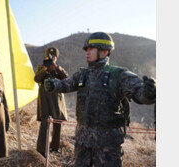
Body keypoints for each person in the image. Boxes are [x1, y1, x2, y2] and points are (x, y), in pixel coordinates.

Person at [44, 32, 156, 166]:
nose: (87, 52)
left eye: (91, 48)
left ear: (105, 51)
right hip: (83, 141)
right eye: (86, 49)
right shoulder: (82, 74)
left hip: (107, 145)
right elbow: (66, 84)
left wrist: (148, 92)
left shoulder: (119, 75)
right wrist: (53, 84)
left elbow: (140, 94)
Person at [34, 47, 69, 157]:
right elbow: (36, 79)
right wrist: (45, 69)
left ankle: (55, 147)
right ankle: (42, 149)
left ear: (56, 57)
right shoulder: (41, 67)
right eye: (50, 56)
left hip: (57, 99)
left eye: (54, 56)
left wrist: (57, 68)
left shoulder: (59, 68)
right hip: (45, 100)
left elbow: (66, 79)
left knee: (57, 122)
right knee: (45, 122)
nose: (52, 57)